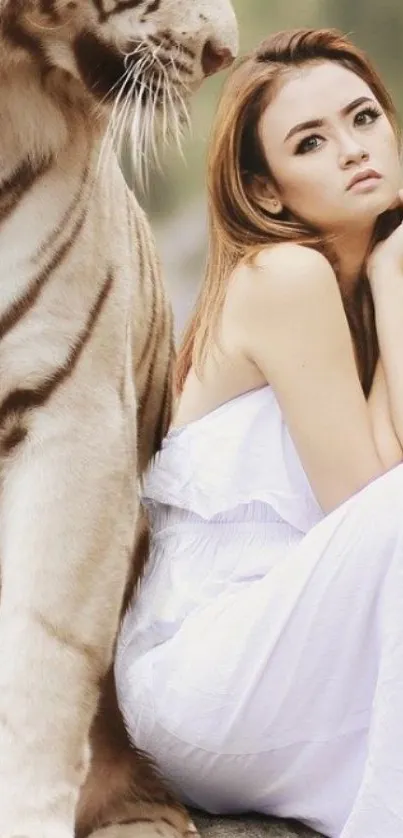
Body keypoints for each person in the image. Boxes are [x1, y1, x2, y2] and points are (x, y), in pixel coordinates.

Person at [115, 28, 403, 838]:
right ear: (267, 192)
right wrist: (391, 277)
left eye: (363, 118)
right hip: (209, 671)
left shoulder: (358, 290)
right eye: (309, 142)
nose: (352, 150)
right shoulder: (284, 275)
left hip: (306, 655)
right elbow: (370, 502)